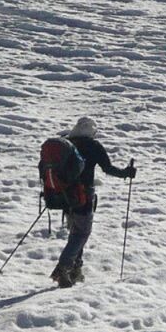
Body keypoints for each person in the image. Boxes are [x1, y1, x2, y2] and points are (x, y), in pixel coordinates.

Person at [46, 116, 135, 287]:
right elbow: (108, 169)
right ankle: (63, 269)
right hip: (83, 195)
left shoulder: (67, 143)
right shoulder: (93, 145)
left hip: (64, 195)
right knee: (82, 233)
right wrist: (126, 173)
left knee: (76, 231)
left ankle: (75, 271)